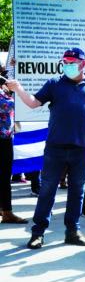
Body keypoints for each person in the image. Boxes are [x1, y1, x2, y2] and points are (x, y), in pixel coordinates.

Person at [7, 48, 85, 249]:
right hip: (55, 148)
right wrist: (18, 88)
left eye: (72, 62)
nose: (68, 65)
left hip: (82, 149)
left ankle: (72, 231)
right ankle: (38, 233)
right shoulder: (54, 83)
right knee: (47, 191)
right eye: (65, 62)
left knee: (78, 192)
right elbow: (33, 103)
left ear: (83, 64)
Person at [1, 69, 27, 224]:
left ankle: (5, 209)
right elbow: (9, 106)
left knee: (4, 177)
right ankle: (7, 212)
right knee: (4, 177)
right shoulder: (6, 95)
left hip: (5, 138)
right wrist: (16, 92)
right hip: (2, 139)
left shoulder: (3, 91)